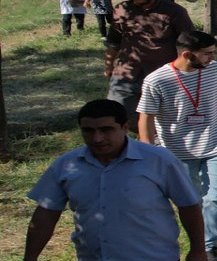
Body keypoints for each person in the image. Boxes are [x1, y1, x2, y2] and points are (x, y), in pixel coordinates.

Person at [24, 99, 207, 261]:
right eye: (88, 131)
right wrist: (30, 257)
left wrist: (198, 251)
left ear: (125, 128)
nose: (97, 138)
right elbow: (46, 214)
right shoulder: (67, 165)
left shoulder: (158, 160)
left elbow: (188, 205)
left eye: (106, 130)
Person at [138, 30, 217, 261]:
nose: (212, 58)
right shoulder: (157, 80)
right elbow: (145, 117)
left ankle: (209, 246)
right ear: (187, 54)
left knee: (215, 196)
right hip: (179, 151)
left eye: (213, 53)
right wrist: (148, 152)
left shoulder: (215, 70)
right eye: (206, 54)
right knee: (191, 201)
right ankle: (191, 241)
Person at [105, 0, 195, 127]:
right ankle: (143, 138)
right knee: (117, 114)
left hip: (162, 74)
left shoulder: (174, 11)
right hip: (127, 71)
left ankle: (157, 143)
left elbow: (188, 43)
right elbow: (114, 41)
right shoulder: (122, 9)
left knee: (166, 117)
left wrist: (186, 70)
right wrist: (108, 65)